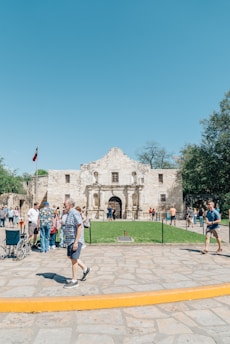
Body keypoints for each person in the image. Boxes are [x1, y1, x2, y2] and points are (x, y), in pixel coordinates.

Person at [63, 198, 90, 289]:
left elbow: (79, 227)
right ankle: (85, 268)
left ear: (70, 205)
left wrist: (76, 242)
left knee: (74, 259)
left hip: (75, 240)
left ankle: (74, 281)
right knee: (70, 257)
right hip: (69, 240)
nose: (64, 205)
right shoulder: (69, 213)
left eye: (65, 204)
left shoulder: (74, 213)